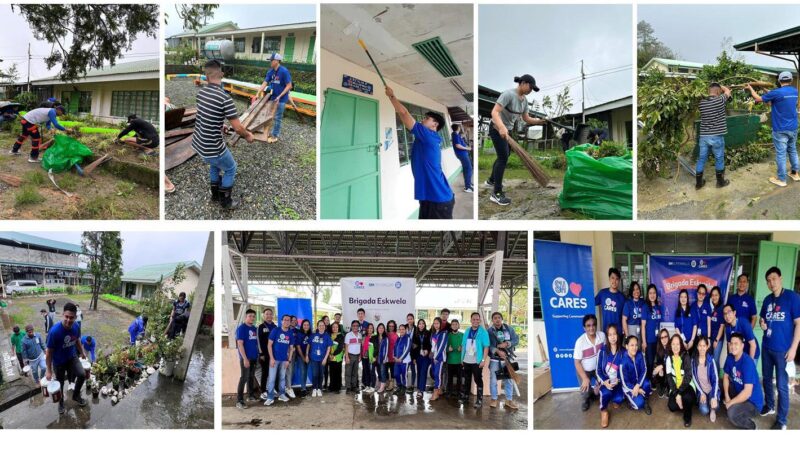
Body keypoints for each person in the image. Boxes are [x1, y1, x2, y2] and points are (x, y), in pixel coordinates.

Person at [192, 59, 254, 209]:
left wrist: (221, 126)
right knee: (231, 168)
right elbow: (238, 128)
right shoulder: (225, 98)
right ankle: (226, 202)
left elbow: (207, 116)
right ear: (222, 74)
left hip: (199, 144)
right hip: (213, 147)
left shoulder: (201, 93)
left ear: (206, 76)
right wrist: (248, 136)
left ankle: (215, 195)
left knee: (214, 165)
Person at [385, 84, 454, 219]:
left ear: (435, 125)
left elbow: (404, 114)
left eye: (427, 119)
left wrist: (392, 96)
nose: (423, 120)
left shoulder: (428, 135)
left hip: (438, 201)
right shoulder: (428, 137)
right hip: (431, 198)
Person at [486, 74, 547, 206]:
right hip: (497, 128)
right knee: (503, 158)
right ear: (523, 83)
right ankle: (496, 193)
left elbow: (526, 118)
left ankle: (491, 180)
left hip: (507, 130)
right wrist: (501, 127)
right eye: (530, 87)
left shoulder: (524, 101)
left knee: (505, 154)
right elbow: (494, 112)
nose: (531, 90)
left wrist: (539, 122)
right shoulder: (508, 94)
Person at [758, 266, 800, 429]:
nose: (771, 283)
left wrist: (794, 348)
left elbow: (798, 324)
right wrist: (762, 324)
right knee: (767, 379)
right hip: (767, 347)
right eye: (768, 281)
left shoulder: (792, 297)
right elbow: (764, 321)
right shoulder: (768, 300)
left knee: (782, 386)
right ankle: (769, 406)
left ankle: (782, 421)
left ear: (780, 278)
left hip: (784, 351)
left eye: (774, 279)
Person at [747, 72, 799, 187]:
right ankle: (795, 173)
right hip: (793, 127)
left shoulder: (777, 92)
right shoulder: (795, 91)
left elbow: (758, 98)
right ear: (790, 80)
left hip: (780, 128)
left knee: (781, 154)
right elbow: (773, 95)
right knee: (792, 150)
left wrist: (751, 89)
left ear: (779, 81)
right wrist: (763, 88)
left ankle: (781, 179)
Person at [45, 302, 88, 414]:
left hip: (72, 357)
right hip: (59, 362)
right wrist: (48, 370)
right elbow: (48, 352)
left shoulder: (76, 327)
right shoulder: (54, 332)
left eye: (71, 318)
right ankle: (61, 403)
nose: (69, 320)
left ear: (75, 317)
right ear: (63, 315)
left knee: (82, 374)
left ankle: (75, 395)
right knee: (60, 384)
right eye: (66, 317)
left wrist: (82, 352)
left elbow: (77, 340)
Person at [723, 332, 764, 429]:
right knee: (723, 387)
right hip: (739, 391)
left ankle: (752, 426)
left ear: (742, 346)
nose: (733, 346)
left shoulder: (747, 362)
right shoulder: (730, 357)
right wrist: (727, 396)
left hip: (752, 403)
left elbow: (747, 393)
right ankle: (736, 405)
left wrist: (730, 403)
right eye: (731, 344)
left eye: (736, 344)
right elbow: (725, 376)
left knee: (731, 413)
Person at [695, 82, 731, 189]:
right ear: (718, 91)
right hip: (717, 136)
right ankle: (720, 183)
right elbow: (727, 91)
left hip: (704, 136)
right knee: (719, 158)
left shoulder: (701, 102)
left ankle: (698, 184)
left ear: (708, 91)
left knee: (701, 159)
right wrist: (721, 85)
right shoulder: (720, 100)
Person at [253, 52, 293, 144]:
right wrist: (258, 92)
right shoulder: (270, 71)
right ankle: (266, 133)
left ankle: (275, 135)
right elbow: (265, 82)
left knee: (278, 118)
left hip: (281, 99)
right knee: (268, 116)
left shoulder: (284, 71)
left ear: (277, 61)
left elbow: (289, 86)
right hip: (273, 98)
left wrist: (280, 96)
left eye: (271, 60)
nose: (270, 62)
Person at [574, 314, 606, 411]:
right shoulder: (580, 342)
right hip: (585, 371)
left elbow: (606, 353)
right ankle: (586, 399)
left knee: (604, 388)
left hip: (598, 369)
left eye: (593, 325)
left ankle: (596, 393)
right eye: (588, 325)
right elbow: (577, 362)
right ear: (584, 328)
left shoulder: (602, 336)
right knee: (585, 390)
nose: (591, 328)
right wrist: (584, 378)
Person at [488, 311, 519, 409]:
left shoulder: (509, 329)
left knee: (508, 380)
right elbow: (488, 345)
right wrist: (497, 350)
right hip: (495, 359)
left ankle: (509, 400)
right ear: (492, 320)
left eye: (499, 318)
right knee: (493, 380)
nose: (497, 319)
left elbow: (516, 340)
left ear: (501, 319)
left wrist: (507, 344)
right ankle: (493, 399)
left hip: (507, 359)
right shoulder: (489, 331)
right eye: (495, 318)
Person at [596, 325, 624, 428]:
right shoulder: (602, 351)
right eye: (610, 334)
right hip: (606, 382)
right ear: (607, 337)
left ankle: (615, 398)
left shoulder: (623, 351)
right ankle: (604, 411)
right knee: (606, 393)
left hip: (617, 382)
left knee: (619, 399)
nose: (613, 337)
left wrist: (619, 380)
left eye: (614, 334)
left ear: (618, 335)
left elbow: (625, 370)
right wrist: (604, 381)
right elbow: (598, 370)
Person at [665, 334, 696, 427]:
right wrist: (675, 392)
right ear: (670, 345)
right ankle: (686, 404)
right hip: (675, 386)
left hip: (687, 385)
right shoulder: (669, 358)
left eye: (677, 344)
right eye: (673, 344)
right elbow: (669, 378)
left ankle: (687, 416)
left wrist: (679, 394)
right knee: (672, 407)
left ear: (681, 345)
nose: (675, 347)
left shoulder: (685, 356)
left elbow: (688, 376)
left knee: (688, 398)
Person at [462, 312, 490, 408]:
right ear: (471, 320)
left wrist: (483, 360)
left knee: (478, 379)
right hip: (466, 359)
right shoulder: (467, 331)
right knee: (467, 378)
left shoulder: (483, 332)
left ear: (480, 321)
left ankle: (479, 399)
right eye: (473, 319)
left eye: (477, 319)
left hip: (477, 360)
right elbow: (463, 345)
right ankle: (465, 397)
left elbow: (486, 347)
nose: (475, 321)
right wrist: (462, 358)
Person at [264, 314, 294, 405]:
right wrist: (272, 358)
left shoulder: (290, 333)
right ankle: (270, 397)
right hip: (274, 360)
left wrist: (288, 360)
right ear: (281, 321)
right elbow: (269, 345)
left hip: (284, 360)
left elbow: (291, 348)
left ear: (290, 322)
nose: (286, 321)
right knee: (272, 379)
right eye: (285, 320)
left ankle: (282, 395)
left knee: (282, 378)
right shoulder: (275, 330)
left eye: (288, 320)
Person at [620, 335, 651, 414]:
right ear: (626, 346)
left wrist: (638, 385)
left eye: (636, 345)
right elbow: (624, 383)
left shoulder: (640, 354)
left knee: (647, 384)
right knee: (639, 405)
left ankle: (645, 400)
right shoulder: (623, 362)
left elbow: (644, 370)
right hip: (629, 387)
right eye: (632, 345)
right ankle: (628, 399)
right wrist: (635, 388)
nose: (635, 348)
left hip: (638, 383)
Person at [692, 335, 720, 423]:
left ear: (707, 347)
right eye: (700, 345)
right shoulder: (693, 361)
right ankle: (707, 402)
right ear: (697, 347)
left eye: (704, 346)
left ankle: (712, 409)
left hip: (711, 389)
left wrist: (714, 396)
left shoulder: (711, 361)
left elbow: (716, 380)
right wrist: (701, 393)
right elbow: (694, 379)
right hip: (702, 391)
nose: (702, 348)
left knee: (716, 406)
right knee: (704, 410)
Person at [235, 309, 259, 409]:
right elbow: (240, 344)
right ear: (246, 316)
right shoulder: (241, 328)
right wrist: (245, 359)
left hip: (254, 357)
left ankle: (250, 395)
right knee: (244, 378)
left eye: (253, 316)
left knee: (251, 377)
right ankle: (239, 401)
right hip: (246, 358)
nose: (252, 318)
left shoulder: (254, 328)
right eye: (250, 316)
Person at [641, 284, 663, 379]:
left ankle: (655, 379)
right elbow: (643, 325)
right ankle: (649, 380)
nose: (652, 295)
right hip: (649, 341)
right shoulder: (645, 307)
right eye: (650, 293)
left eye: (654, 293)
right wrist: (644, 341)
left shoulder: (658, 307)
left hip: (658, 340)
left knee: (657, 361)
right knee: (649, 362)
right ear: (648, 295)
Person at [594, 268, 626, 333]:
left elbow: (625, 316)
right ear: (609, 279)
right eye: (612, 278)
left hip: (618, 331)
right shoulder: (602, 293)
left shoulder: (622, 297)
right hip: (606, 330)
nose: (614, 281)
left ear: (619, 281)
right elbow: (591, 303)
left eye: (617, 279)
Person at [309, 320, 332, 398]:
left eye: (323, 325)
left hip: (322, 359)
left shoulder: (327, 336)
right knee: (315, 374)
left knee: (321, 374)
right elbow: (309, 345)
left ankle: (319, 388)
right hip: (314, 358)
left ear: (325, 327)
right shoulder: (313, 335)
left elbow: (329, 348)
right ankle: (314, 388)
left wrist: (325, 358)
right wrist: (306, 355)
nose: (321, 327)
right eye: (320, 325)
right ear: (317, 326)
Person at [257, 308, 277, 399]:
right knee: (265, 373)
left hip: (274, 354)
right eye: (267, 314)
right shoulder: (260, 327)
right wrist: (261, 354)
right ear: (263, 315)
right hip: (264, 354)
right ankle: (263, 391)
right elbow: (258, 341)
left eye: (270, 314)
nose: (269, 316)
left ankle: (272, 389)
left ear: (272, 316)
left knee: (273, 372)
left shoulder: (275, 327)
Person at [451, 124, 474, 193]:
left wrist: (466, 131)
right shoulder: (455, 135)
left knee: (467, 168)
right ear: (458, 128)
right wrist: (467, 148)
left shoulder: (456, 134)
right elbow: (457, 145)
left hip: (463, 154)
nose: (460, 128)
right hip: (462, 154)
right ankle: (467, 187)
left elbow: (462, 136)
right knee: (469, 168)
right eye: (460, 127)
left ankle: (468, 183)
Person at [429, 317, 448, 401]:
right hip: (433, 358)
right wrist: (431, 353)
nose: (436, 325)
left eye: (437, 323)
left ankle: (436, 392)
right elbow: (433, 346)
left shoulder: (443, 333)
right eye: (435, 323)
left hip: (439, 358)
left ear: (440, 324)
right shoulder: (433, 333)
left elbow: (441, 346)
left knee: (437, 374)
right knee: (434, 373)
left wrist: (436, 357)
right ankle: (439, 389)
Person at [708, 286, 726, 368]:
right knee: (710, 359)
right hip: (710, 338)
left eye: (716, 295)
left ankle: (716, 379)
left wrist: (716, 340)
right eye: (712, 295)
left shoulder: (722, 308)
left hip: (717, 340)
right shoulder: (711, 308)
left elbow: (722, 326)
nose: (714, 297)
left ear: (719, 296)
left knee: (715, 360)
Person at [446, 319, 464, 399]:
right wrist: (447, 349)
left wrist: (462, 349)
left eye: (456, 324)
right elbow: (443, 347)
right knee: (449, 378)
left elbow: (466, 346)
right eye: (453, 324)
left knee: (459, 378)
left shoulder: (462, 335)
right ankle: (449, 392)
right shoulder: (448, 335)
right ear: (451, 326)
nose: (454, 326)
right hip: (450, 360)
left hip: (459, 361)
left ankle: (459, 393)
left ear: (459, 325)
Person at [650, 328, 671, 397]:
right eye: (662, 338)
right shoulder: (659, 348)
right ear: (660, 339)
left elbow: (672, 364)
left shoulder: (672, 347)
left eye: (665, 337)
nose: (664, 339)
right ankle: (662, 386)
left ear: (668, 337)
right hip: (663, 370)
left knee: (664, 369)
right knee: (658, 371)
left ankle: (668, 387)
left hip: (671, 370)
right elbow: (658, 362)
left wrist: (662, 366)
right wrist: (659, 368)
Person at [412, 318, 431, 396]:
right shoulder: (415, 333)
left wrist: (427, 350)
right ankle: (419, 389)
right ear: (418, 325)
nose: (421, 325)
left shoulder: (428, 333)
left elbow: (431, 344)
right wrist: (414, 358)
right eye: (420, 323)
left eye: (423, 323)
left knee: (423, 372)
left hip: (426, 356)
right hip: (418, 356)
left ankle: (421, 390)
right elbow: (413, 346)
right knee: (419, 372)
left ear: (425, 324)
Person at [392, 324, 412, 396]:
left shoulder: (408, 338)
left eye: (403, 329)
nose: (401, 331)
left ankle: (404, 388)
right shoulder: (398, 338)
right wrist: (394, 356)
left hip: (404, 361)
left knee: (404, 375)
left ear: (405, 330)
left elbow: (407, 349)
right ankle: (399, 386)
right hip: (397, 360)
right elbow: (394, 348)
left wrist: (401, 358)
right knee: (396, 374)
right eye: (400, 329)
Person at [295, 319, 312, 396]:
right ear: (302, 326)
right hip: (301, 356)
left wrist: (308, 356)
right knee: (303, 372)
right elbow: (298, 347)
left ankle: (314, 388)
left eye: (307, 325)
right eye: (304, 325)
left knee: (310, 372)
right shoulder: (299, 334)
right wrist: (303, 357)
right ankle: (303, 389)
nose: (306, 326)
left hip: (310, 356)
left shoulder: (311, 334)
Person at [344, 320, 361, 394]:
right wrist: (347, 357)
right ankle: (348, 387)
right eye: (353, 326)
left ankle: (354, 386)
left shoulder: (360, 335)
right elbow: (346, 346)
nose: (355, 327)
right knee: (348, 372)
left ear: (358, 327)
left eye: (357, 326)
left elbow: (360, 346)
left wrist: (360, 355)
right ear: (351, 326)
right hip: (350, 355)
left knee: (355, 372)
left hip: (357, 356)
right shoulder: (348, 335)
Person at [328, 322, 345, 393]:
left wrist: (333, 354)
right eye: (333, 327)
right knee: (332, 372)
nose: (335, 328)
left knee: (338, 372)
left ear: (338, 328)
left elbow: (340, 347)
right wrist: (329, 354)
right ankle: (332, 386)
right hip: (330, 357)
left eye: (336, 327)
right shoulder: (329, 335)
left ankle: (337, 388)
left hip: (337, 357)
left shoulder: (341, 336)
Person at [360, 322, 376, 394]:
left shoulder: (375, 336)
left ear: (373, 329)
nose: (370, 329)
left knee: (372, 372)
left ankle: (372, 386)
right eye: (369, 328)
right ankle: (367, 385)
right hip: (364, 357)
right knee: (366, 371)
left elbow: (376, 348)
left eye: (371, 328)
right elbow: (362, 347)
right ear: (367, 329)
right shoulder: (364, 336)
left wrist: (374, 356)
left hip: (371, 358)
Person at [374, 323, 389, 394]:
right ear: (377, 329)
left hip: (383, 358)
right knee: (378, 371)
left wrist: (385, 358)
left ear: (384, 329)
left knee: (383, 372)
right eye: (379, 328)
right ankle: (382, 384)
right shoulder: (375, 337)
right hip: (376, 358)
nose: (381, 329)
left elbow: (386, 349)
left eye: (382, 328)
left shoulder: (386, 338)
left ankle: (382, 387)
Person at [405, 313, 417, 389]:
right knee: (405, 369)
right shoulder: (404, 327)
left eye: (411, 319)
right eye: (408, 319)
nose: (410, 320)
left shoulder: (416, 328)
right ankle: (405, 384)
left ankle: (412, 384)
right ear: (407, 320)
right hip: (406, 353)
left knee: (413, 369)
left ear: (413, 319)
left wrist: (416, 345)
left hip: (413, 352)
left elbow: (418, 341)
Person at [386, 320, 398, 391]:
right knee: (385, 371)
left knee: (392, 371)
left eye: (392, 326)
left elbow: (397, 347)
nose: (391, 327)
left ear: (394, 327)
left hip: (393, 357)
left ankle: (392, 384)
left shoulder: (396, 335)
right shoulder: (386, 334)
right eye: (390, 326)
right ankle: (387, 383)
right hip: (386, 357)